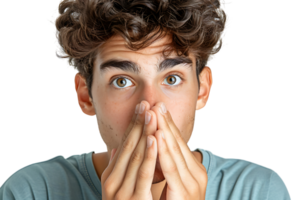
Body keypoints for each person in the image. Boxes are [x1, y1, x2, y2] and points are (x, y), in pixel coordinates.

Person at [0, 0, 293, 199]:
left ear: (202, 90)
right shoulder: (32, 191)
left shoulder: (259, 191)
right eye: (122, 81)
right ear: (85, 95)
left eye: (172, 79)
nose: (150, 108)